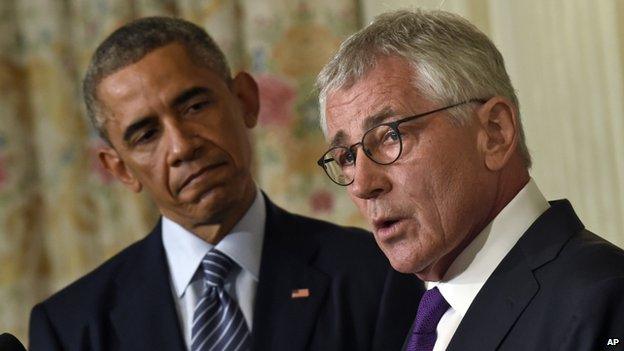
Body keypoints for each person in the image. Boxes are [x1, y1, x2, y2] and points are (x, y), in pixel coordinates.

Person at [28, 16, 422, 351]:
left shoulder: (375, 273)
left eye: (195, 106)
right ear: (120, 169)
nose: (182, 146)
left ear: (245, 101)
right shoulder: (70, 327)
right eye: (146, 134)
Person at [316, 9, 624, 351]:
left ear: (494, 133)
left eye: (390, 136)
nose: (362, 184)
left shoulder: (604, 301)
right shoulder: (416, 318)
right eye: (346, 156)